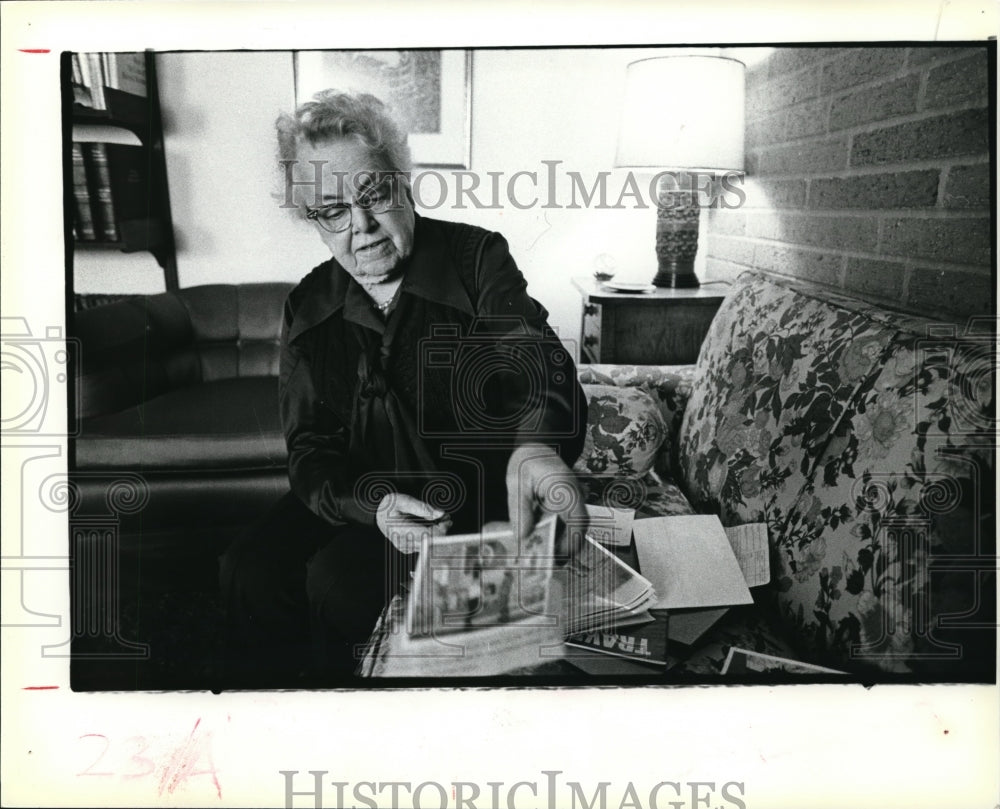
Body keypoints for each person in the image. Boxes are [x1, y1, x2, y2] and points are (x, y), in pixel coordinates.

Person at [219, 91, 588, 686]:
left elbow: (536, 360)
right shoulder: (307, 306)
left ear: (404, 182)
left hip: (463, 492)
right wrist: (373, 506)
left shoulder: (477, 258)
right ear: (310, 218)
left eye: (373, 196)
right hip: (361, 491)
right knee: (247, 569)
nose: (361, 228)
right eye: (332, 211)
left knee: (339, 586)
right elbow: (310, 449)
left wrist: (536, 446)